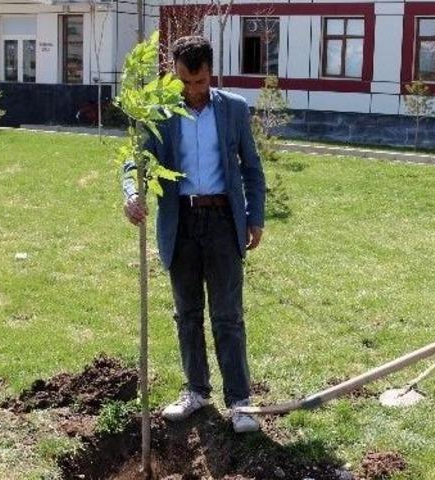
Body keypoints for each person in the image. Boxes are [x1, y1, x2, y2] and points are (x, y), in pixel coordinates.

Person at [122, 35, 265, 433]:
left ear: (210, 73)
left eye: (200, 82)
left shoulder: (234, 109)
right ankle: (196, 391)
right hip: (180, 223)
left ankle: (240, 401)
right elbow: (136, 163)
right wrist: (132, 194)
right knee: (186, 314)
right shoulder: (159, 112)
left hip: (222, 222)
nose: (193, 90)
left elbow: (251, 168)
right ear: (174, 73)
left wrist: (255, 217)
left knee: (228, 315)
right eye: (185, 82)